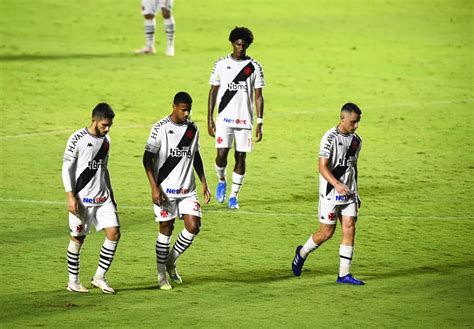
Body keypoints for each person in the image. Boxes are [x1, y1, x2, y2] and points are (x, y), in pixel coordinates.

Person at [143, 92, 211, 290]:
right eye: (183, 109)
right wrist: (154, 188)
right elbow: (147, 159)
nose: (186, 113)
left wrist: (204, 181)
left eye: (189, 109)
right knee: (166, 228)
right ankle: (161, 275)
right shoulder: (160, 128)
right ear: (173, 106)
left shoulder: (193, 128)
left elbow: (195, 154)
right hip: (165, 190)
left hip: (187, 189)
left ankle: (171, 261)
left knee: (194, 226)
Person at [292, 103, 365, 285]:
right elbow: (322, 167)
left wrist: (355, 193)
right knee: (326, 233)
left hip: (348, 193)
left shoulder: (357, 141)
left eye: (357, 123)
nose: (355, 126)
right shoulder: (329, 138)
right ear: (342, 118)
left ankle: (344, 274)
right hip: (331, 192)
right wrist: (337, 184)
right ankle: (302, 253)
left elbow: (353, 167)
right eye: (353, 122)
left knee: (349, 228)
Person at [62, 103, 120, 294]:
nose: (107, 128)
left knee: (114, 233)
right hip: (82, 199)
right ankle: (73, 281)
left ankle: (99, 277)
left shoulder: (106, 141)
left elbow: (104, 169)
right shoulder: (77, 139)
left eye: (109, 125)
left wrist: (111, 193)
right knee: (78, 238)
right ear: (94, 120)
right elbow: (66, 169)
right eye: (104, 125)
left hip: (103, 198)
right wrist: (70, 196)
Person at [207, 26, 265, 209]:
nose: (240, 48)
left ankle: (234, 196)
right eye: (238, 44)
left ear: (248, 45)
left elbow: (258, 96)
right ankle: (222, 180)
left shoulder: (254, 67)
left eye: (244, 45)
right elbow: (213, 91)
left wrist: (260, 121)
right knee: (221, 155)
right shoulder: (221, 64)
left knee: (241, 158)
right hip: (224, 119)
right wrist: (209, 118)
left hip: (245, 121)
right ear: (232, 43)